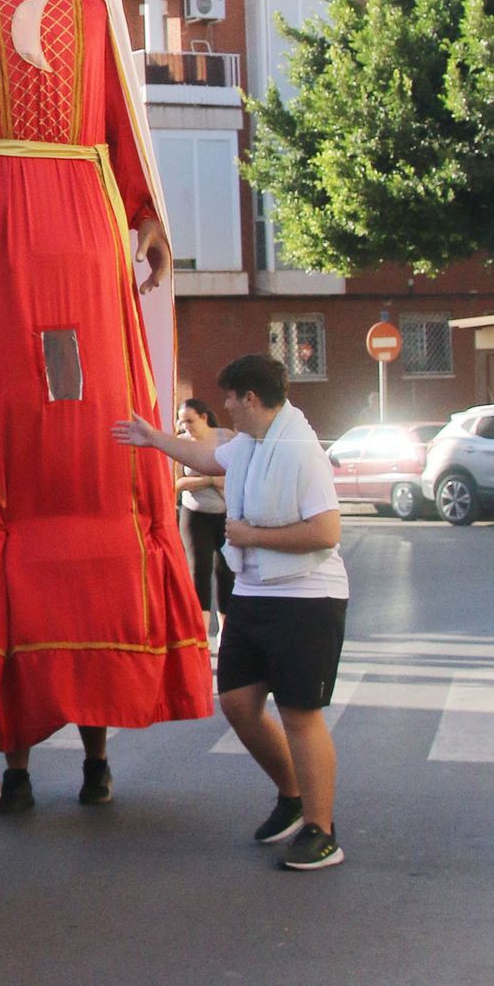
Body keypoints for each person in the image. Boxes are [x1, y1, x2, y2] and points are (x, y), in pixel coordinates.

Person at [0, 0, 211, 813]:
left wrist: (146, 216)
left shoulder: (94, 1)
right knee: (0, 448)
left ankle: (93, 739)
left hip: (83, 224)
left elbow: (120, 119)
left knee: (95, 448)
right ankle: (10, 752)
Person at [115, 353, 348, 870]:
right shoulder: (250, 443)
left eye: (229, 397)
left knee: (299, 714)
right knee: (240, 703)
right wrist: (152, 438)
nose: (223, 407)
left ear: (251, 399)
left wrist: (253, 536)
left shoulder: (299, 450)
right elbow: (209, 459)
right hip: (254, 594)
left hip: (307, 599)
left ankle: (322, 829)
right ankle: (292, 796)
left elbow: (327, 531)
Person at [177, 396, 234, 637]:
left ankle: (226, 632)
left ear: (204, 417)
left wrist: (206, 482)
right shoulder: (180, 443)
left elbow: (237, 475)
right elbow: (177, 483)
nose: (186, 427)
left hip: (225, 513)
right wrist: (210, 480)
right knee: (198, 569)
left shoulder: (226, 438)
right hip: (195, 513)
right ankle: (200, 631)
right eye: (182, 422)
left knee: (226, 568)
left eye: (190, 421)